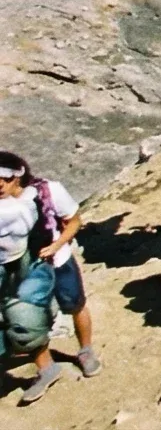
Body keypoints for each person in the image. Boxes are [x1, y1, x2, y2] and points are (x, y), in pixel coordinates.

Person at [0, 153, 95, 407]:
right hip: (20, 271)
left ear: (18, 175)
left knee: (74, 304)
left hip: (58, 261)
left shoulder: (48, 191)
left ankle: (85, 351)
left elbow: (74, 221)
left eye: (5, 178)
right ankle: (46, 368)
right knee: (25, 320)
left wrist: (57, 245)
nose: (0, 184)